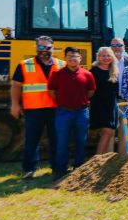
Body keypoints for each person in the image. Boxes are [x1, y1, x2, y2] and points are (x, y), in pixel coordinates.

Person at [11, 36, 64, 180]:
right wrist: (15, 104)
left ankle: (57, 169)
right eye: (41, 47)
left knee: (57, 140)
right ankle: (29, 170)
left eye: (47, 47)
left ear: (53, 48)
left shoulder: (61, 65)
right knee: (32, 141)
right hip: (34, 109)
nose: (44, 50)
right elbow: (16, 86)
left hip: (55, 109)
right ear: (36, 48)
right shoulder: (24, 65)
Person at [47, 47, 96, 180]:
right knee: (62, 142)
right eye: (69, 56)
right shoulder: (57, 74)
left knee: (81, 141)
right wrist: (62, 102)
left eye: (75, 56)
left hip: (81, 112)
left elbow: (91, 91)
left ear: (80, 58)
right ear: (65, 58)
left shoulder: (87, 74)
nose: (72, 58)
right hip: (63, 112)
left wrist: (80, 101)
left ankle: (78, 168)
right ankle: (60, 170)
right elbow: (51, 91)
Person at [90, 47, 120, 155]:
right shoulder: (93, 71)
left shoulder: (114, 70)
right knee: (107, 131)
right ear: (98, 57)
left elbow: (116, 90)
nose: (106, 58)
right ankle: (96, 160)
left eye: (108, 55)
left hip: (111, 105)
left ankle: (101, 159)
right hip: (99, 104)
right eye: (103, 55)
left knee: (110, 131)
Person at [110, 37, 128, 154]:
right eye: (114, 46)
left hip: (125, 100)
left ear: (124, 47)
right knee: (109, 131)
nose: (117, 48)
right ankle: (106, 159)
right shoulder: (106, 60)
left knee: (125, 130)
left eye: (119, 45)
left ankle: (123, 157)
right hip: (111, 100)